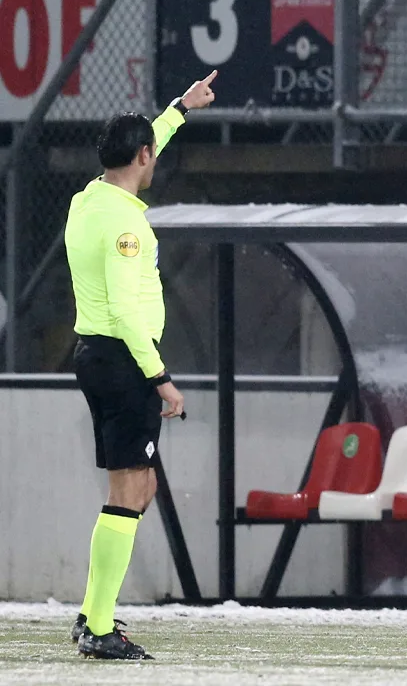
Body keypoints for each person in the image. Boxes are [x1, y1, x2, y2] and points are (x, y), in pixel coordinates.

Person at [65, 71, 218, 660]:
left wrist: (180, 108)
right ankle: (98, 626)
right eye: (151, 151)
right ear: (143, 157)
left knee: (139, 485)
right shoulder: (127, 224)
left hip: (95, 355)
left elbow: (142, 144)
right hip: (125, 360)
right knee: (130, 488)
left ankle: (92, 612)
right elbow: (128, 311)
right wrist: (161, 379)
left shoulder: (88, 199)